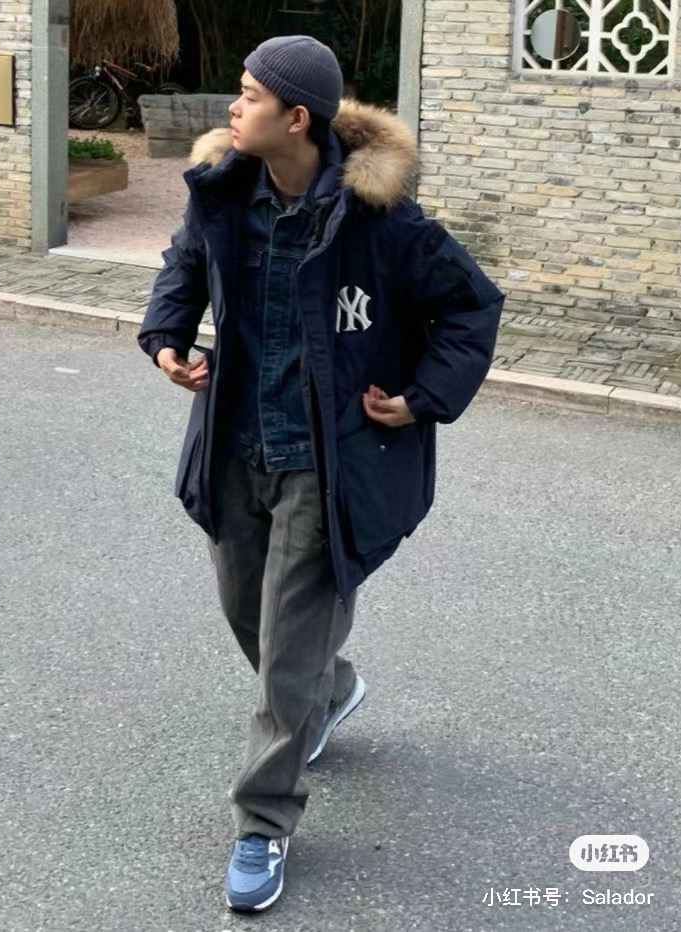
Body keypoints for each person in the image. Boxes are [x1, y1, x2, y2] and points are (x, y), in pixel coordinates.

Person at [138, 35, 505, 912]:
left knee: (288, 653)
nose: (234, 108)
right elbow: (183, 268)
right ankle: (332, 691)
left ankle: (263, 821)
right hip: (235, 443)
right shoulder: (222, 193)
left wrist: (422, 398)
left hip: (328, 460)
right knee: (248, 616)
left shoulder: (384, 221)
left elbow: (470, 307)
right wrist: (166, 341)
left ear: (296, 117)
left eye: (249, 94)